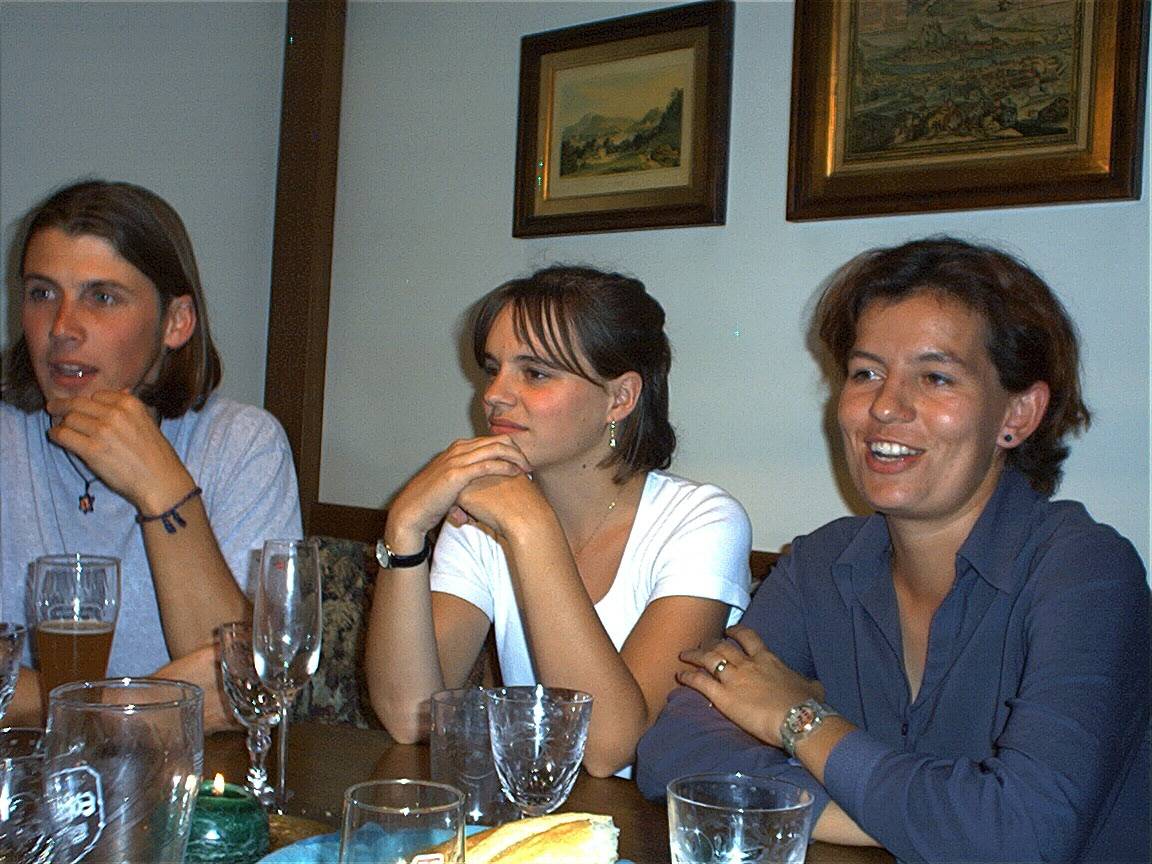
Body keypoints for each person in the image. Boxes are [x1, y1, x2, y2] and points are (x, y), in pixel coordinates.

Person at [637, 237, 1149, 862]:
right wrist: (914, 824)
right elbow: (672, 754)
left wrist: (800, 721)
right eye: (866, 373)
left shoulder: (1087, 573)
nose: (884, 406)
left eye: (935, 377)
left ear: (1017, 414)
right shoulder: (820, 564)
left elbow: (1023, 835)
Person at [365, 265, 751, 777]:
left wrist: (531, 528)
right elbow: (409, 716)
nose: (494, 394)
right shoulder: (483, 514)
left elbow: (609, 749)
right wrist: (405, 529)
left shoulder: (702, 521)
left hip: (664, 817)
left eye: (535, 373)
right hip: (542, 811)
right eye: (493, 368)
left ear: (620, 398)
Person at [1, 179, 301, 729]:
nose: (62, 328)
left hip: (189, 774)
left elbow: (243, 694)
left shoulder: (242, 445)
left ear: (175, 322)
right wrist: (120, 708)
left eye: (102, 297)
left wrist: (162, 488)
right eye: (42, 293)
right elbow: (206, 694)